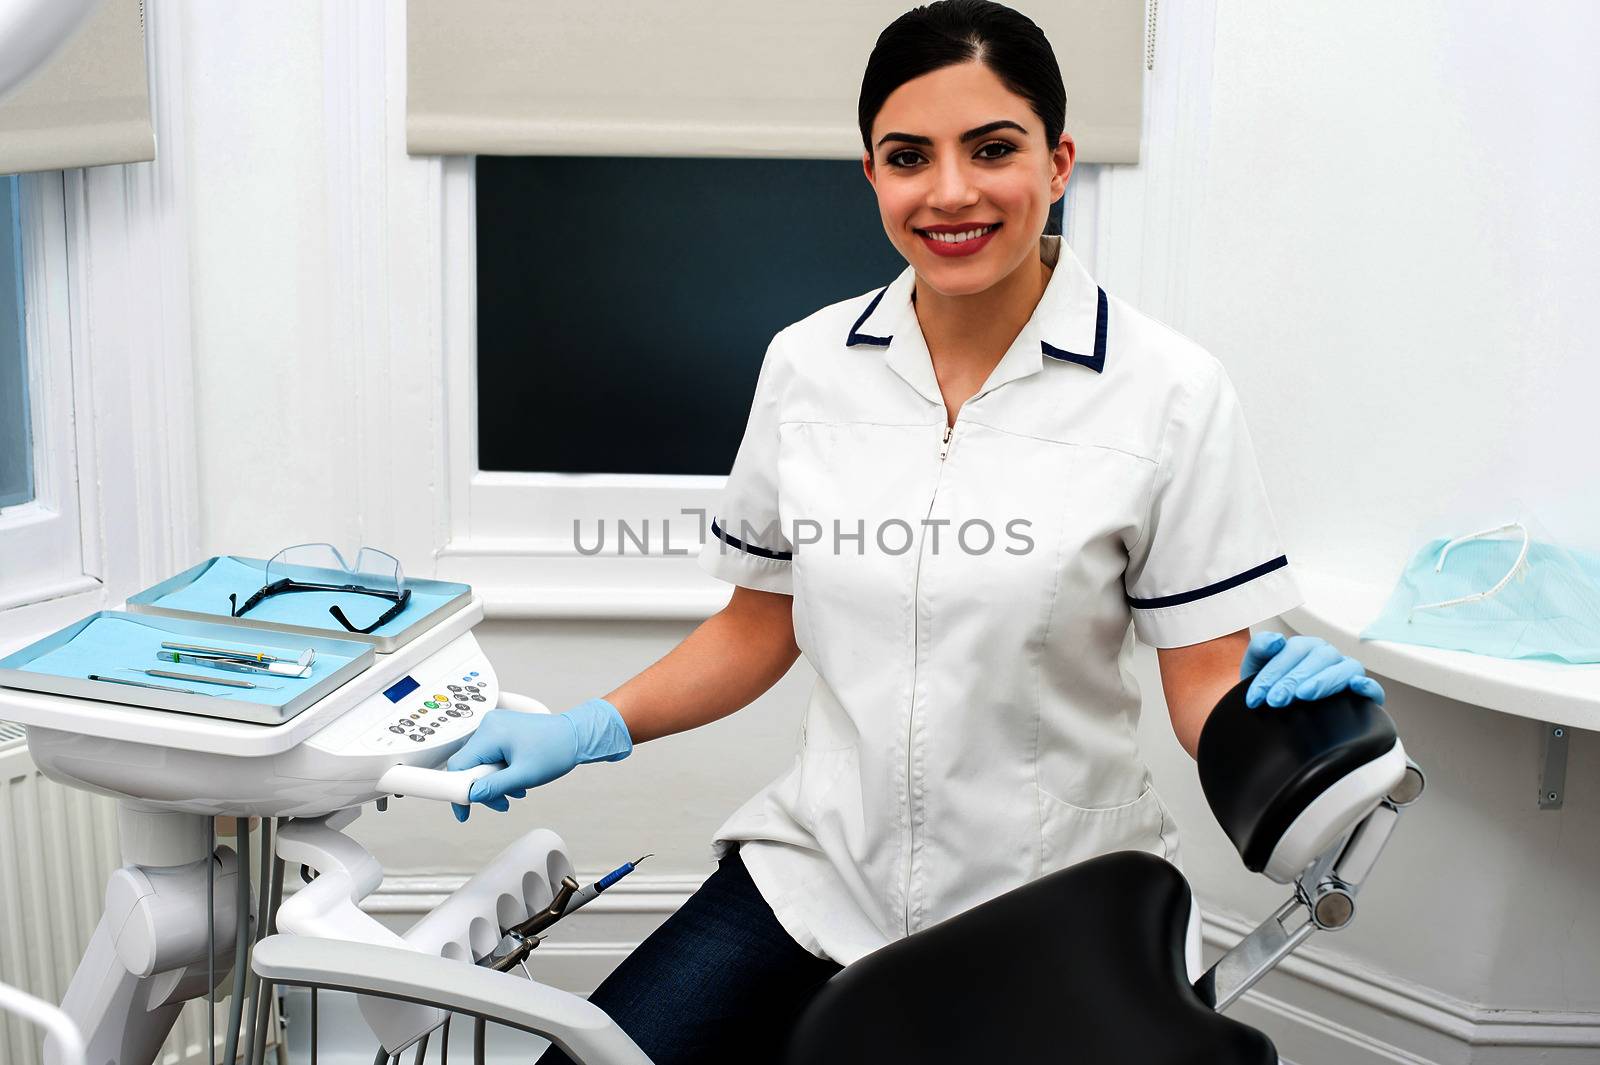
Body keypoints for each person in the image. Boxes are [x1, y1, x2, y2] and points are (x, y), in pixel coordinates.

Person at [448, 3, 1387, 1062]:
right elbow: (760, 627)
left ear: (1059, 160)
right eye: (909, 157)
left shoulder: (1165, 394)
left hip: (1046, 902)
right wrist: (583, 729)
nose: (949, 192)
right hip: (812, 872)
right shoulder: (807, 367)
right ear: (872, 177)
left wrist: (1287, 711)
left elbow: (1201, 681)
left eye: (992, 149)